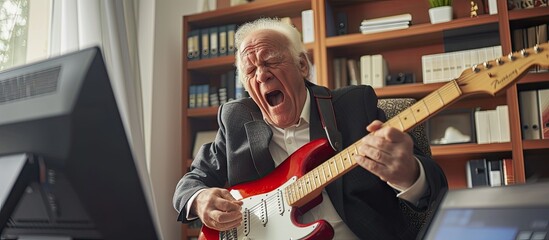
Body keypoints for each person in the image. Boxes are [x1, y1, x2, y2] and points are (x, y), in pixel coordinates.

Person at [173, 18, 447, 239]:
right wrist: (200, 199)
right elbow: (192, 181)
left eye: (269, 61)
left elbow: (435, 186)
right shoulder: (236, 119)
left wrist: (409, 173)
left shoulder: (353, 105)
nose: (261, 74)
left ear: (302, 65)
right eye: (250, 70)